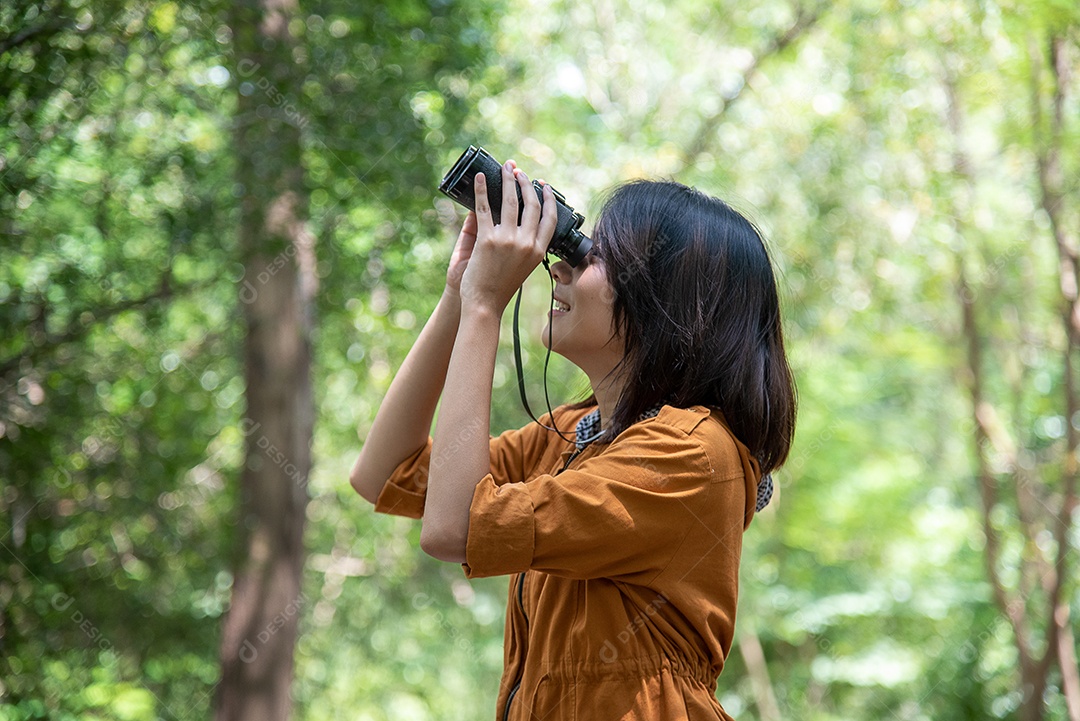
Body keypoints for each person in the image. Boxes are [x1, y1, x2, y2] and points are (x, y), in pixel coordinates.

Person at [350, 158, 797, 720]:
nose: (560, 267)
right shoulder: (576, 437)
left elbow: (453, 528)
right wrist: (459, 295)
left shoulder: (693, 454)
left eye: (595, 256)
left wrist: (487, 307)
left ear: (667, 304)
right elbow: (384, 473)